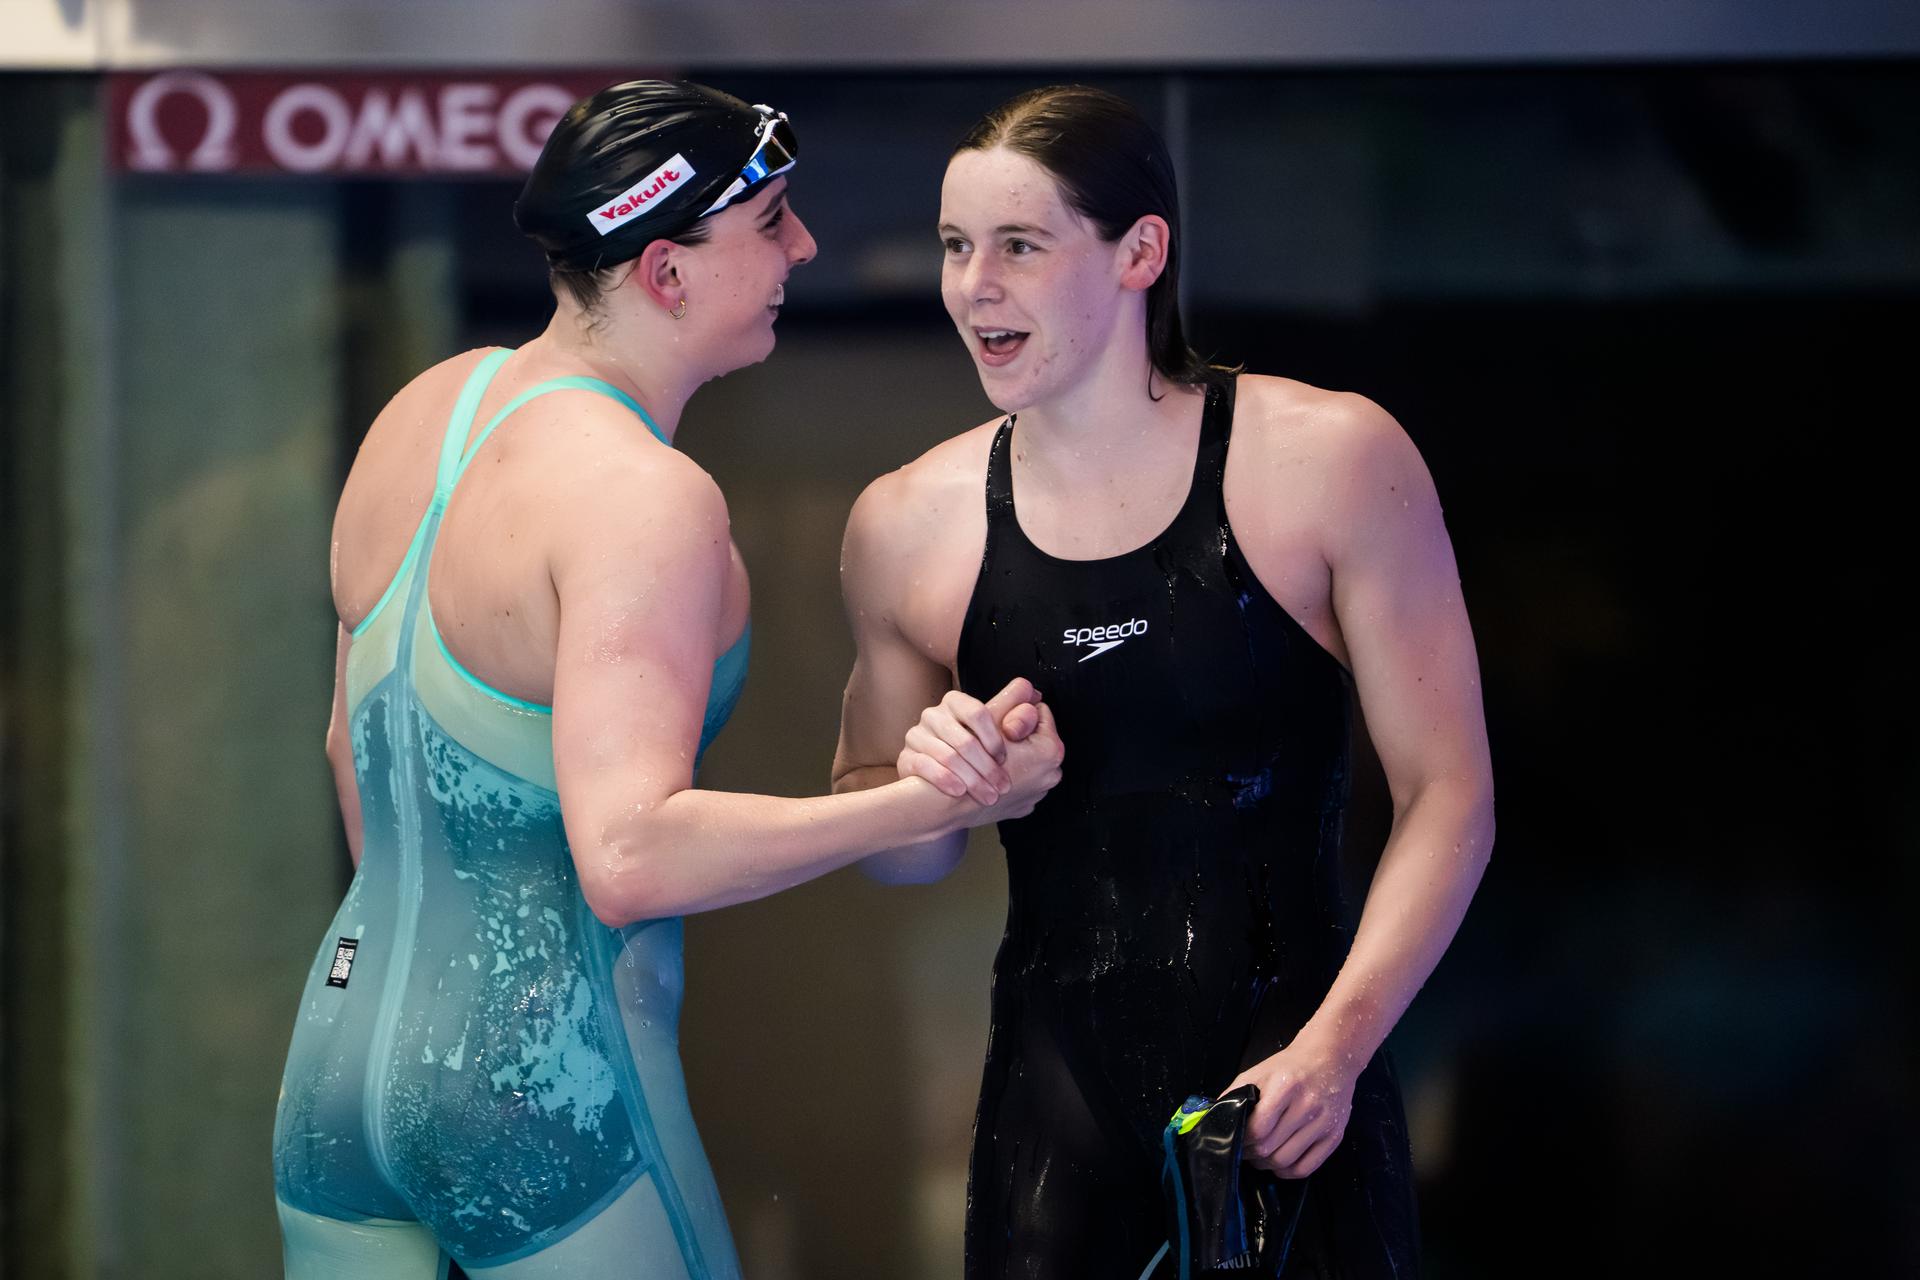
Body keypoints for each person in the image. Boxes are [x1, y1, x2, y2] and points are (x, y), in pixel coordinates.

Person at [271, 79, 1063, 1280]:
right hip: (540, 1086)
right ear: (665, 270)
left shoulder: (425, 413)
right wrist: (940, 799)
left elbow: (351, 755)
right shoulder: (645, 497)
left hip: (336, 1065)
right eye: (770, 223)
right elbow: (630, 856)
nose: (803, 245)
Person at [832, 85, 1495, 1278]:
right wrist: (939, 784)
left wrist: (1336, 1049)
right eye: (954, 246)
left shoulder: (1329, 462)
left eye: (1020, 246)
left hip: (1295, 1082)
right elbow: (892, 846)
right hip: (1053, 1097)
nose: (972, 285)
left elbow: (1449, 795)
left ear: (1140, 250)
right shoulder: (906, 526)